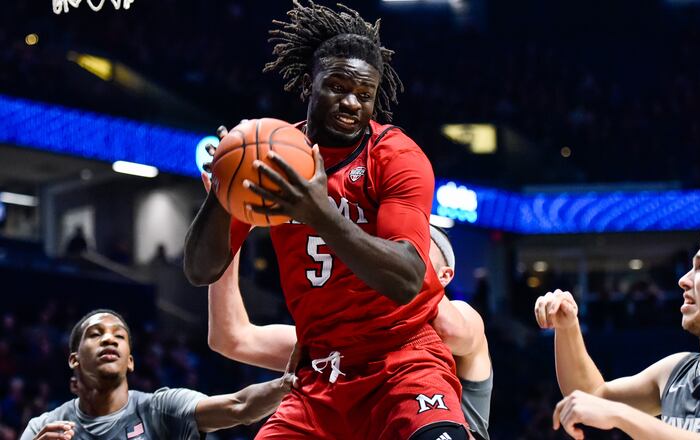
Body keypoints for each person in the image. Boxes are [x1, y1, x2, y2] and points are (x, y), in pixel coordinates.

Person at [183, 2, 470, 437]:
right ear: (308, 85)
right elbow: (200, 270)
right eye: (337, 87)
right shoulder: (273, 157)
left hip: (403, 361)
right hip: (320, 373)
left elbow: (407, 276)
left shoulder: (397, 157)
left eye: (365, 94)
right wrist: (223, 190)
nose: (352, 103)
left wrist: (318, 211)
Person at [207, 225, 492, 440]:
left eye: (410, 244)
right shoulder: (341, 340)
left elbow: (449, 328)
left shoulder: (461, 314)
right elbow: (232, 337)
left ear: (444, 276)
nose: (394, 249)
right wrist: (229, 227)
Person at [534, 220, 700, 439]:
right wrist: (568, 327)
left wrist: (622, 415)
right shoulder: (676, 370)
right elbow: (592, 395)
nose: (683, 280)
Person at [21, 309, 296, 440]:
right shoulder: (43, 427)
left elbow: (239, 406)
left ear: (130, 361)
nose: (109, 340)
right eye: (96, 335)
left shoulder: (160, 409)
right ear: (74, 359)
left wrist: (288, 384)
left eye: (119, 336)